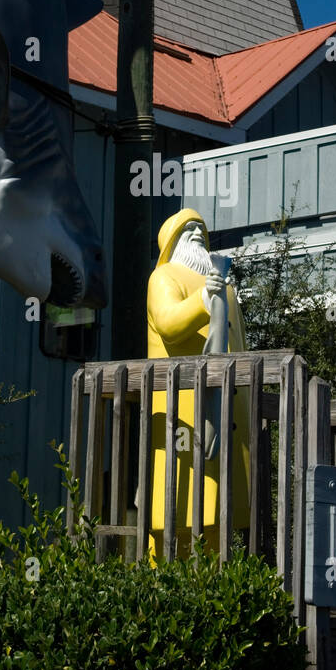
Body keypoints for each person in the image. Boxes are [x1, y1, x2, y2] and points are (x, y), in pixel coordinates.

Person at [146, 209, 250, 557]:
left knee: (222, 511)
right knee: (174, 509)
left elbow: (241, 345)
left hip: (230, 415)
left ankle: (219, 589)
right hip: (182, 411)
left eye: (200, 230)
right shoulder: (164, 276)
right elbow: (168, 324)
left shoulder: (228, 289)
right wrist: (203, 300)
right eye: (186, 229)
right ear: (171, 240)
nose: (195, 233)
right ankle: (162, 587)